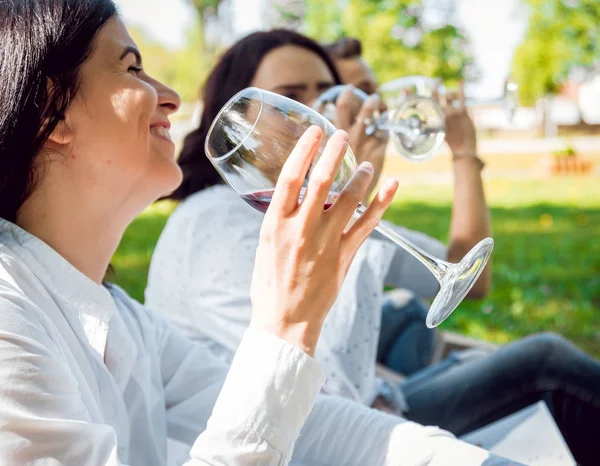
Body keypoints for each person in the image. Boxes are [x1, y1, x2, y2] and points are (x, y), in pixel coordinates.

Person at [0, 3, 517, 465]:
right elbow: (313, 386)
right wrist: (284, 328)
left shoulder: (124, 321)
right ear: (52, 111)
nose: (171, 96)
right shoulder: (10, 324)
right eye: (132, 68)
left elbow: (319, 423)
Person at [146, 29, 600, 465]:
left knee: (441, 337)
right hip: (307, 443)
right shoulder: (212, 226)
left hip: (370, 410)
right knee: (543, 361)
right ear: (242, 123)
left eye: (327, 93)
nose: (319, 112)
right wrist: (351, 191)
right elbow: (325, 384)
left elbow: (469, 276)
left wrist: (464, 153)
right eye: (291, 98)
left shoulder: (302, 204)